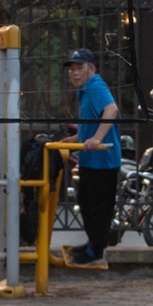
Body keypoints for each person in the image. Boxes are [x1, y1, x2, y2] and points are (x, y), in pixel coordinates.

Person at [62, 47, 121, 270]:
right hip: (91, 160)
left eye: (80, 68)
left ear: (92, 69)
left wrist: (96, 138)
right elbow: (93, 124)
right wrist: (76, 139)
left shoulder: (95, 85)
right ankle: (92, 244)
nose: (75, 73)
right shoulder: (86, 91)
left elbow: (111, 109)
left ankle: (96, 251)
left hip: (102, 161)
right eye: (72, 69)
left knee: (96, 207)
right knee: (86, 203)